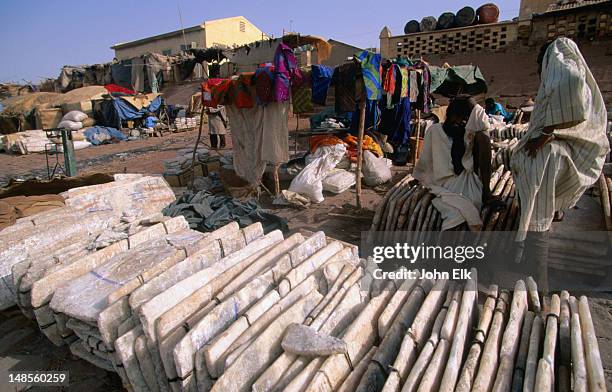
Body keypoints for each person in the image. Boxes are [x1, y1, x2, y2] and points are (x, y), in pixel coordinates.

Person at [510, 37, 609, 291]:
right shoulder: (582, 80)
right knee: (540, 215)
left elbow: (570, 81)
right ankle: (533, 277)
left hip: (548, 158)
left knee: (538, 221)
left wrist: (546, 133)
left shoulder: (558, 53)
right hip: (556, 155)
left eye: (540, 64)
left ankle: (538, 284)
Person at [412, 95, 505, 231]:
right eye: (459, 117)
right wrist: (418, 178)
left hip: (466, 183)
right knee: (457, 212)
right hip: (442, 183)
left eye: (465, 118)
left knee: (465, 207)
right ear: (451, 115)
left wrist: (486, 191)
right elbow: (425, 161)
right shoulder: (435, 131)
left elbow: (483, 124)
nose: (461, 121)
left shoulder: (471, 135)